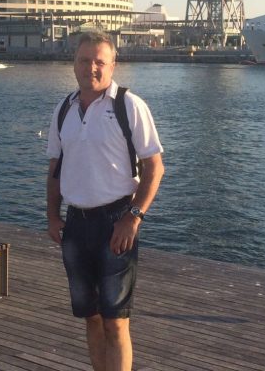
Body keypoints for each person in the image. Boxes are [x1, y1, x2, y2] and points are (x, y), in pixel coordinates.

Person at [46, 31, 165, 371]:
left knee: (115, 320)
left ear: (113, 65)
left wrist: (133, 217)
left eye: (100, 61)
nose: (91, 68)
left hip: (116, 222)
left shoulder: (129, 106)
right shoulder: (64, 109)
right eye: (84, 60)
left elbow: (155, 168)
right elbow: (55, 169)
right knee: (92, 317)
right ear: (74, 64)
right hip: (76, 223)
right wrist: (52, 216)